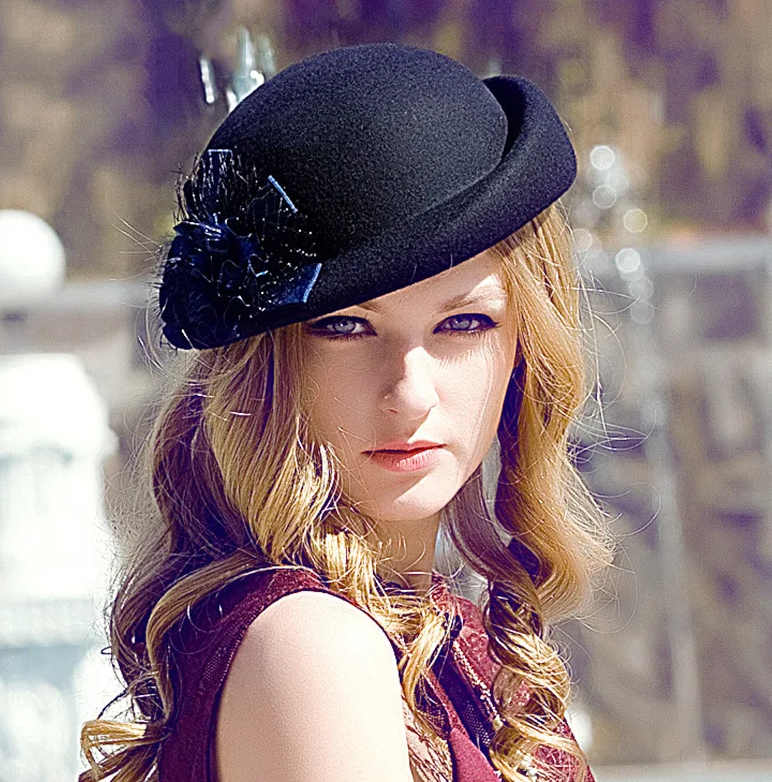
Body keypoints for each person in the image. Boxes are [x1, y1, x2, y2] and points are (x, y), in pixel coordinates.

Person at [79, 43, 612, 782]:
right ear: (265, 364)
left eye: (463, 324)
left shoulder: (445, 641)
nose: (410, 393)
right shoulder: (317, 649)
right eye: (346, 326)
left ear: (526, 345)